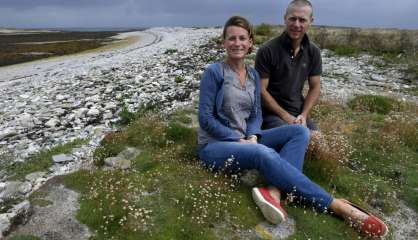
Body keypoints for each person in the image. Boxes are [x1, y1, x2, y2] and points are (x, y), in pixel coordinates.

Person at [197, 15, 388, 238]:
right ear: (224, 42)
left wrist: (253, 135)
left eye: (242, 38)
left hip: (245, 141)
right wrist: (236, 138)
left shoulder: (253, 75)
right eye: (231, 38)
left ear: (250, 42)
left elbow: (256, 115)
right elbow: (205, 118)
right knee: (262, 153)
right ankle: (338, 206)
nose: (237, 43)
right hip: (215, 146)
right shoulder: (214, 72)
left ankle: (274, 193)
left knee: (299, 131)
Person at [255, 0, 321, 138]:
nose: (297, 24)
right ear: (285, 18)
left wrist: (303, 115)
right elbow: (260, 90)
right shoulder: (268, 50)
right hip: (270, 114)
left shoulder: (313, 51)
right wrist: (286, 116)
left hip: (298, 113)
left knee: (318, 140)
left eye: (302, 20)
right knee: (296, 136)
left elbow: (315, 87)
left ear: (311, 21)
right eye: (292, 19)